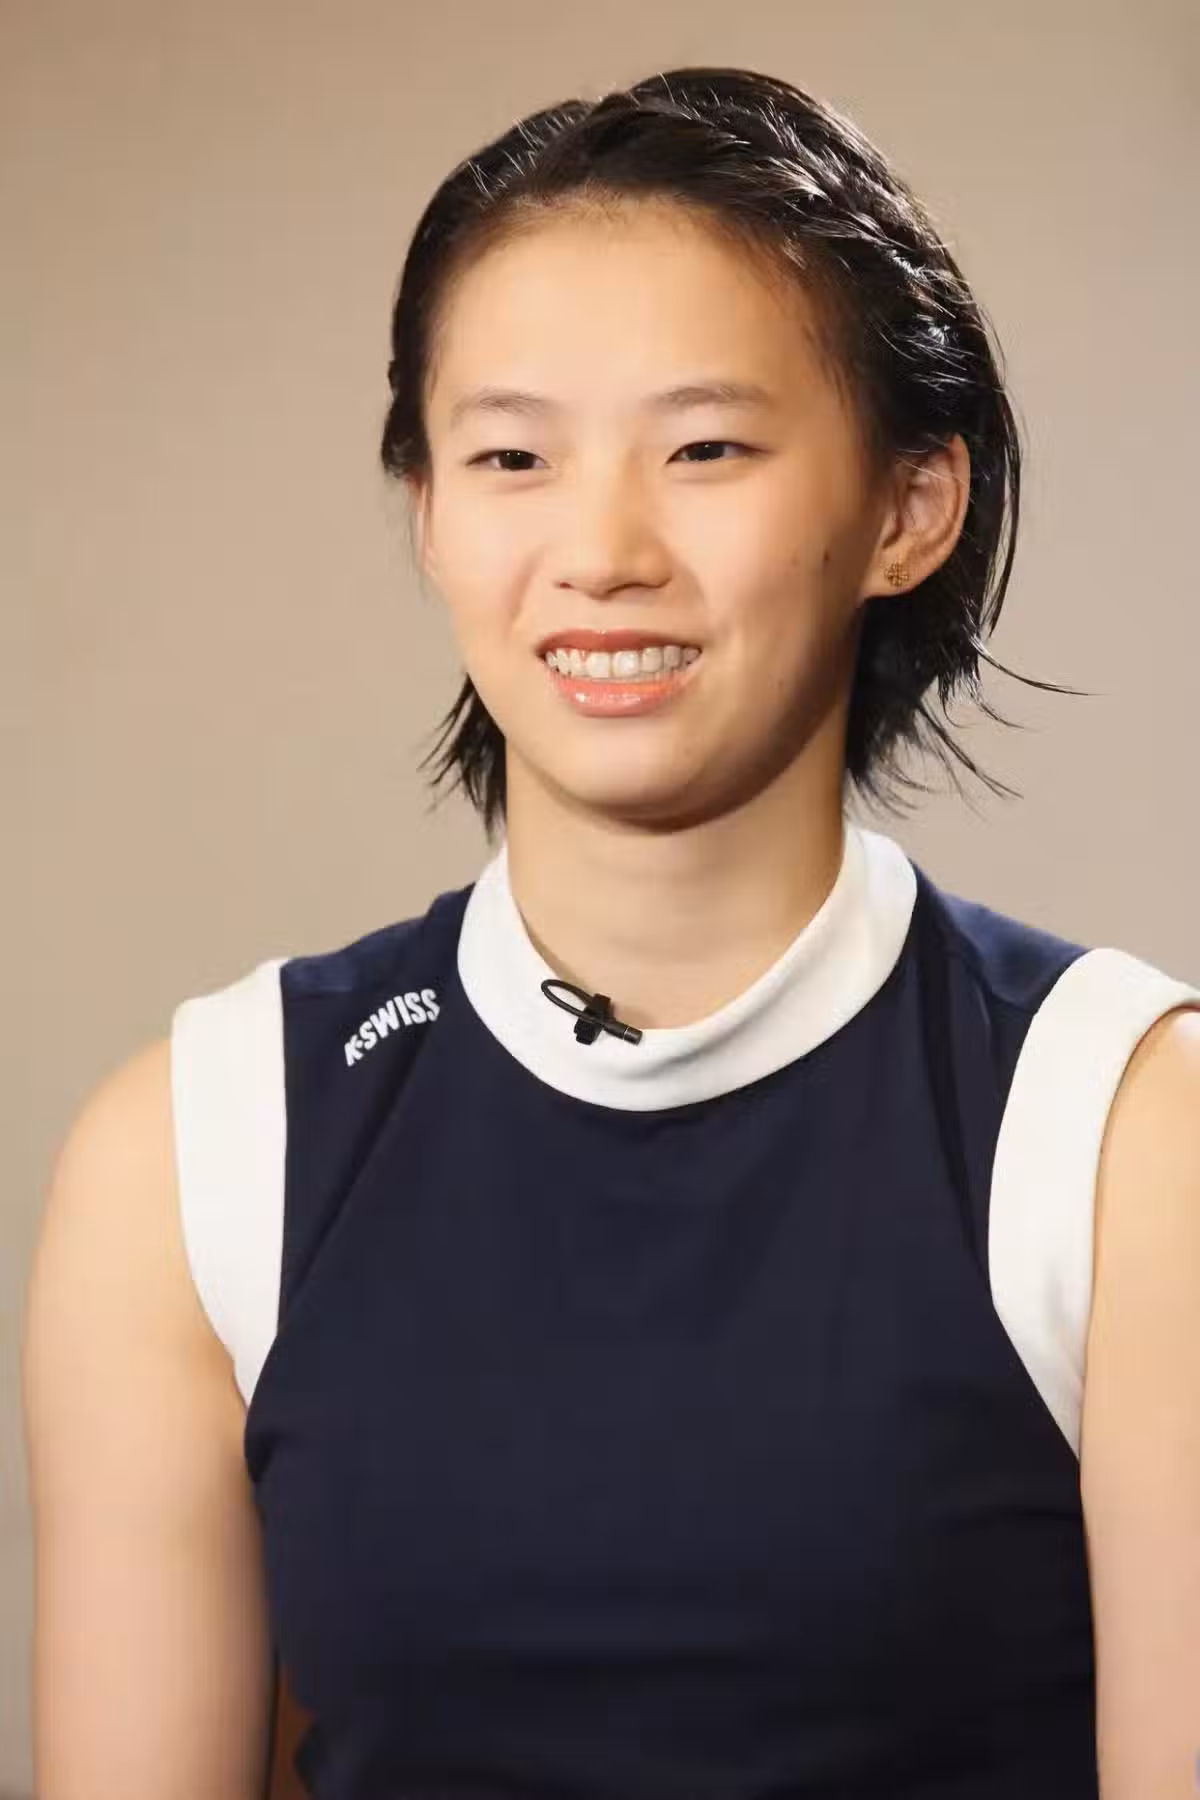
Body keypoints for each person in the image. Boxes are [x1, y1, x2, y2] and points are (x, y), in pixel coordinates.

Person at [22, 63, 1200, 1800]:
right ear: (430, 511)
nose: (601, 550)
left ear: (907, 510)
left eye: (705, 449)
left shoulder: (1129, 1136)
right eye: (512, 456)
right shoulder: (196, 1154)